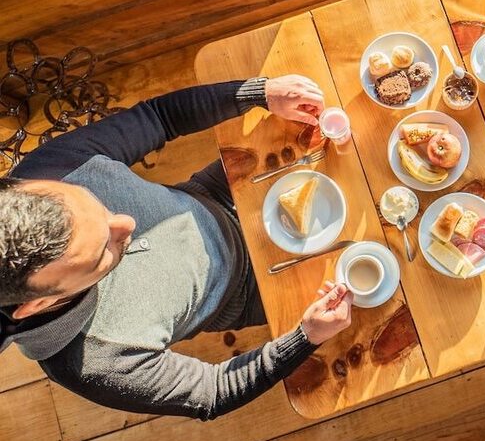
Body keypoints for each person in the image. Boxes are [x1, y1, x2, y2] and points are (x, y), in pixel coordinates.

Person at [0, 74, 355, 420]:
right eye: (101, 252)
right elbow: (213, 391)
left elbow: (159, 118)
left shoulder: (49, 170)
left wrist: (259, 93)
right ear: (40, 303)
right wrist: (306, 337)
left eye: (98, 204)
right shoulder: (91, 364)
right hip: (247, 291)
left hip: (216, 193)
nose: (127, 224)